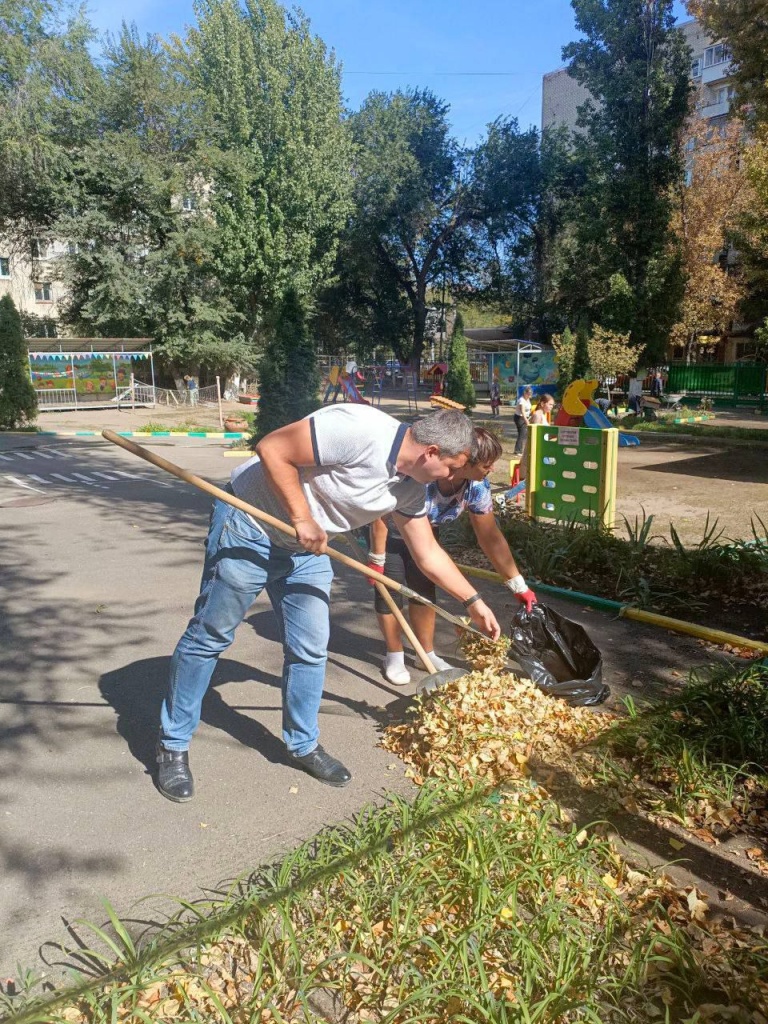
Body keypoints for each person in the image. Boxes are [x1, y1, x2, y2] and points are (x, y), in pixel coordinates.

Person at [156, 406, 501, 802]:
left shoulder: (409, 487)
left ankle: (302, 744)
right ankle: (173, 742)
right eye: (452, 468)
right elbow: (272, 448)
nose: (453, 479)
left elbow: (427, 553)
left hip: (307, 552)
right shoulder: (357, 430)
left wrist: (472, 601)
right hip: (249, 527)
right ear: (432, 452)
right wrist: (302, 517)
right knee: (211, 637)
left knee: (310, 647)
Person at [368, 428, 537, 685]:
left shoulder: (476, 486)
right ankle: (394, 654)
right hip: (388, 533)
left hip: (425, 536)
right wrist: (376, 560)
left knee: (424, 592)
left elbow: (490, 536)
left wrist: (518, 585)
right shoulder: (423, 477)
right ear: (465, 462)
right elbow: (381, 515)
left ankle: (426, 653)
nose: (491, 469)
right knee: (389, 592)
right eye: (487, 464)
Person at [513, 386, 533, 456]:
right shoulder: (521, 400)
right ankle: (517, 451)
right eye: (528, 394)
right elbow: (522, 411)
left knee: (522, 434)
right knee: (522, 434)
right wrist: (526, 420)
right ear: (525, 393)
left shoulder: (527, 399)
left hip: (524, 418)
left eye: (530, 394)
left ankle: (519, 450)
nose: (529, 396)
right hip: (519, 418)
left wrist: (530, 416)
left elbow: (529, 409)